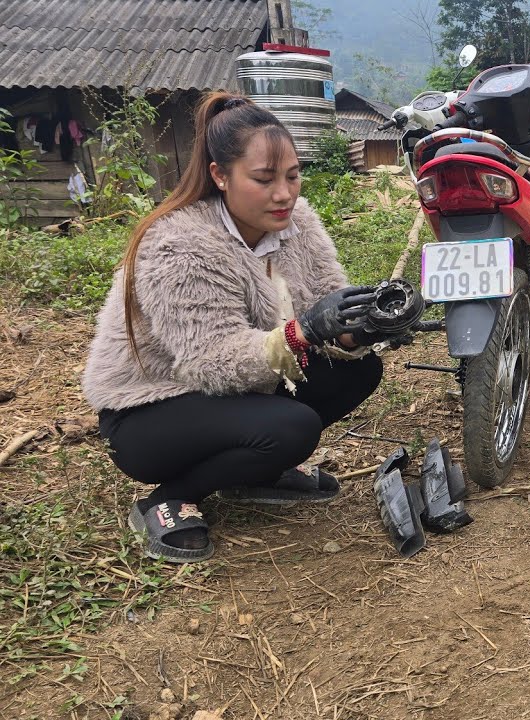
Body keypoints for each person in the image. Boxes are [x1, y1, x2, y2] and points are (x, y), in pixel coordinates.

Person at [82, 93, 406, 563]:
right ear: (220, 175)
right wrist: (306, 330)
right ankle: (169, 498)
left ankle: (255, 472)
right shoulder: (181, 245)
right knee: (292, 428)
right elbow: (211, 363)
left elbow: (326, 302)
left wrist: (364, 327)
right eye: (264, 179)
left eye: (293, 175)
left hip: (235, 389)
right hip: (148, 411)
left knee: (360, 371)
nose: (284, 194)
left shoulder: (297, 222)